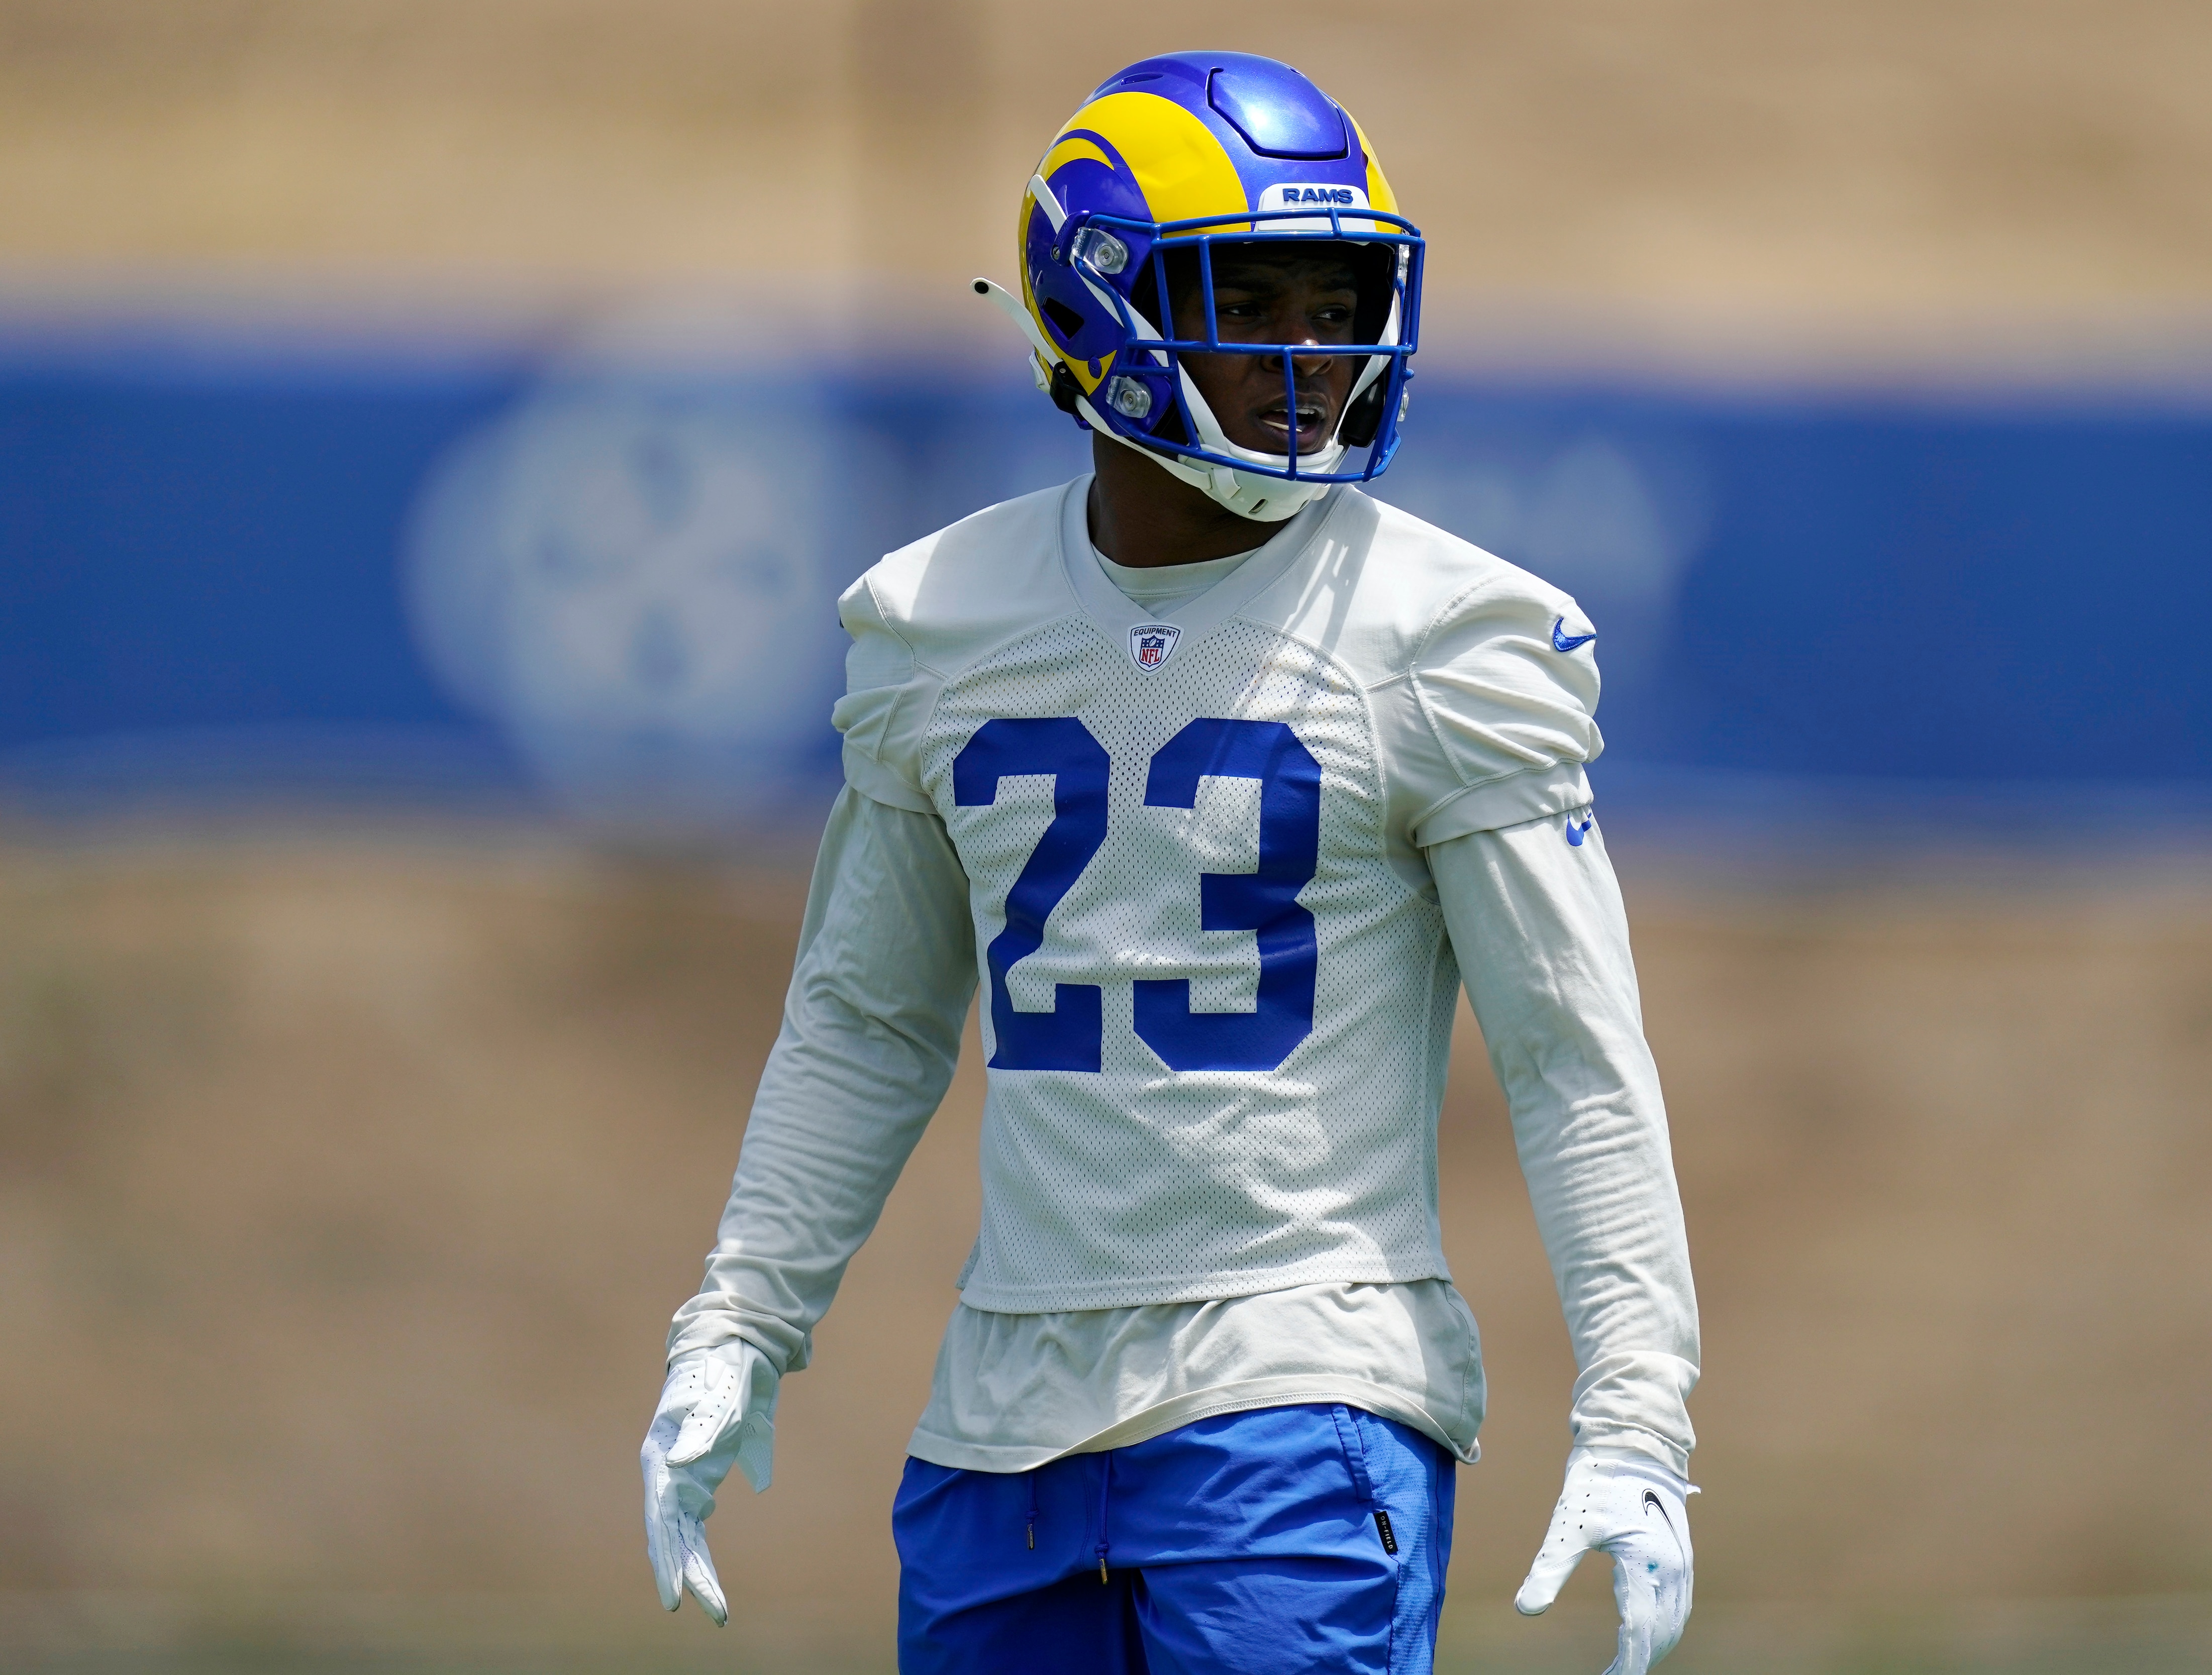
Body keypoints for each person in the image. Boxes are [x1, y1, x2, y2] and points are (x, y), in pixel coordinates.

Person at [641, 50, 1700, 1675]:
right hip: (1001, 1427)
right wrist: (737, 1322)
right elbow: (865, 1020)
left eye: (1341, 301)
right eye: (1253, 297)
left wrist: (1637, 1415)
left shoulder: (1446, 634)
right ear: (1100, 313)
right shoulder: (940, 624)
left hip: (1303, 1398)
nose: (1312, 353)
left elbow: (1574, 1058)